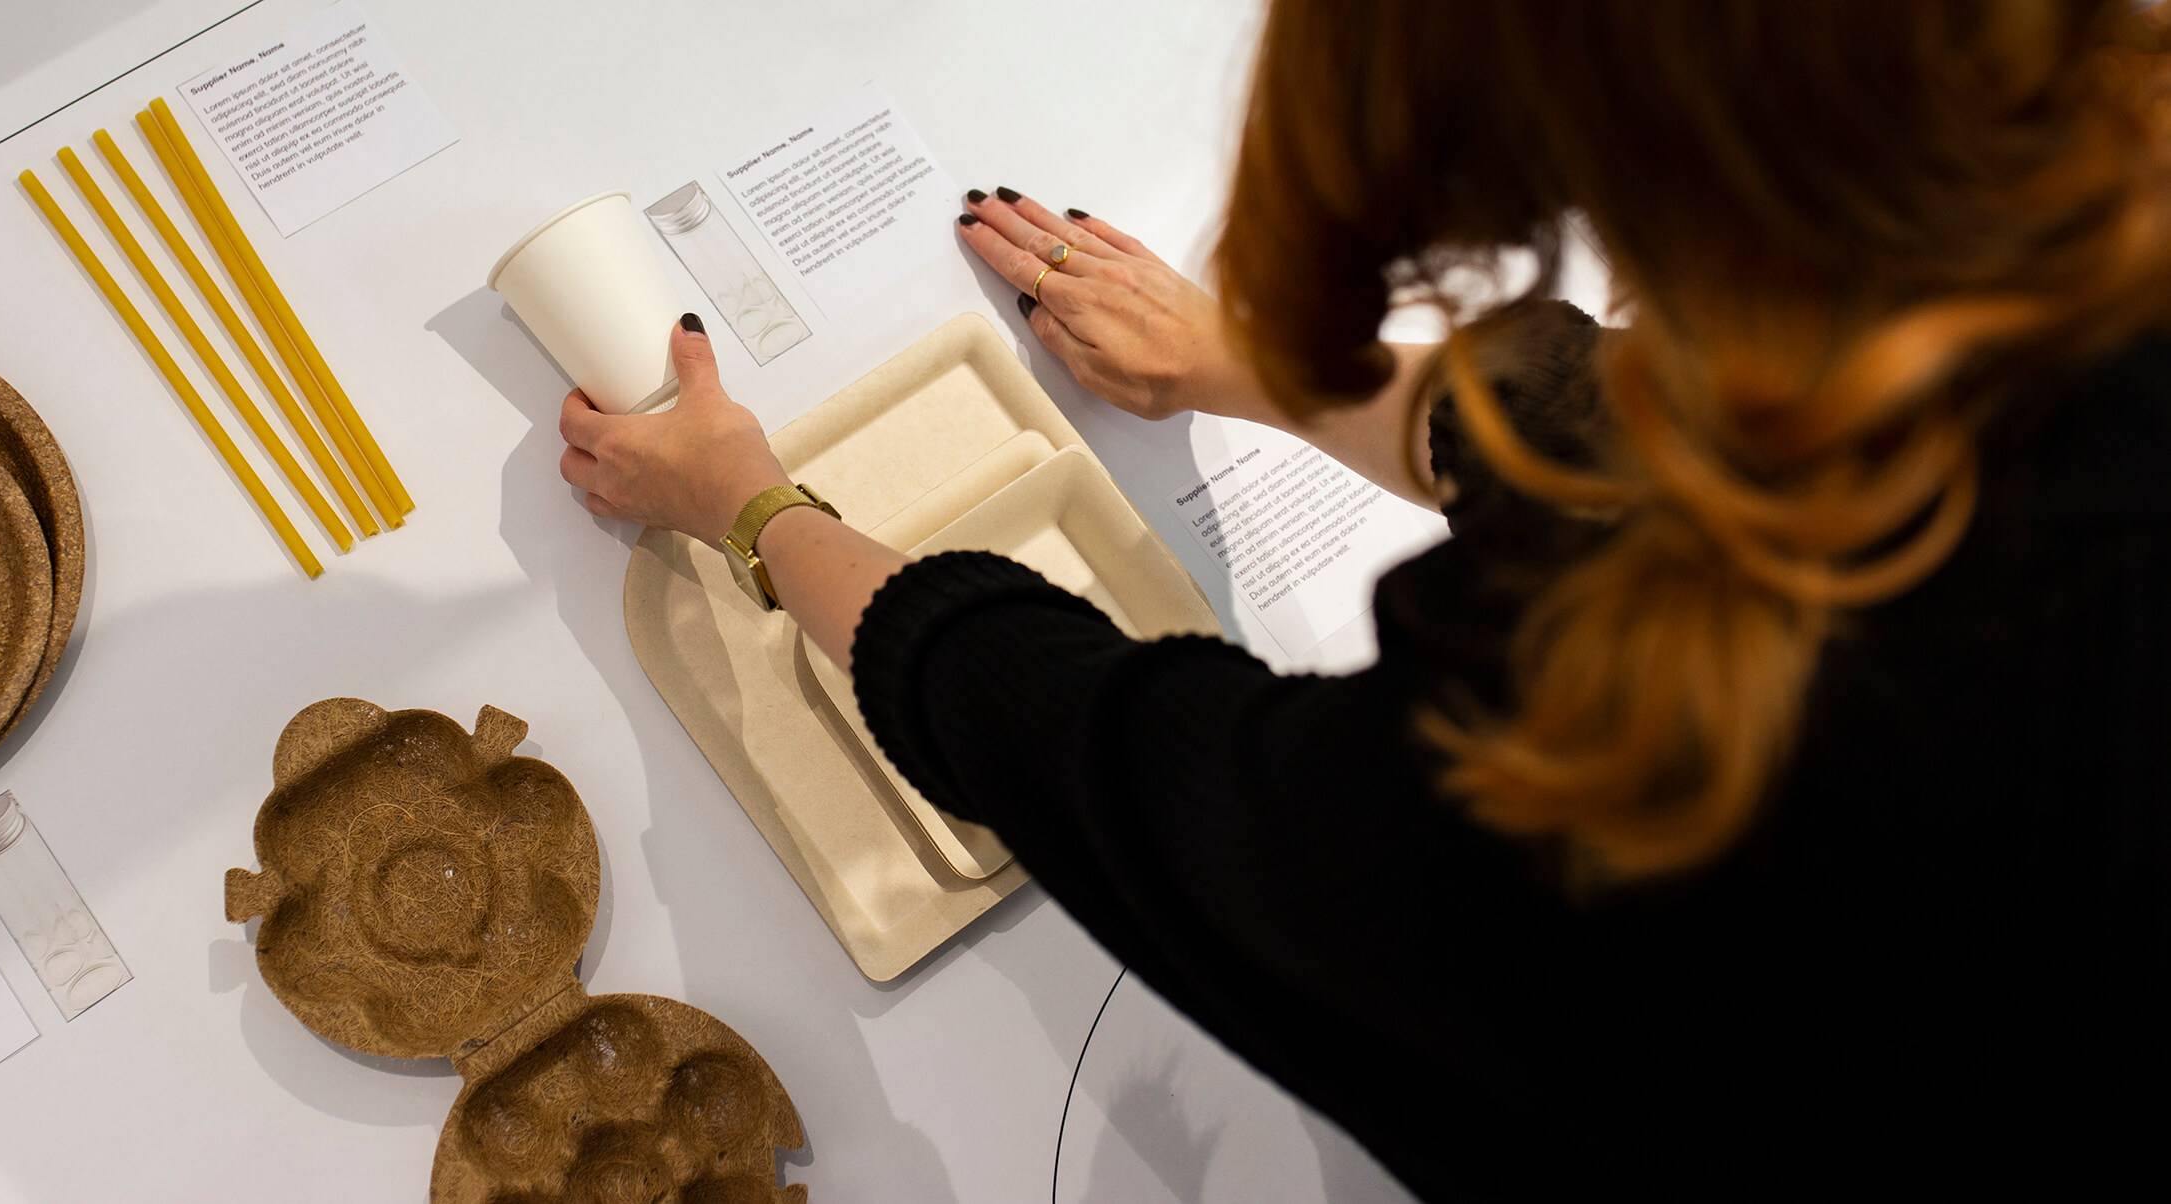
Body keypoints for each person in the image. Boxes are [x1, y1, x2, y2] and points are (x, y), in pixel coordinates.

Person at [556, 2, 2169, 1197]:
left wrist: (756, 511)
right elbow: (1654, 422)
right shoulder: (2061, 259)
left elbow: (1145, 784)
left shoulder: (1641, 774)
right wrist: (1251, 370)